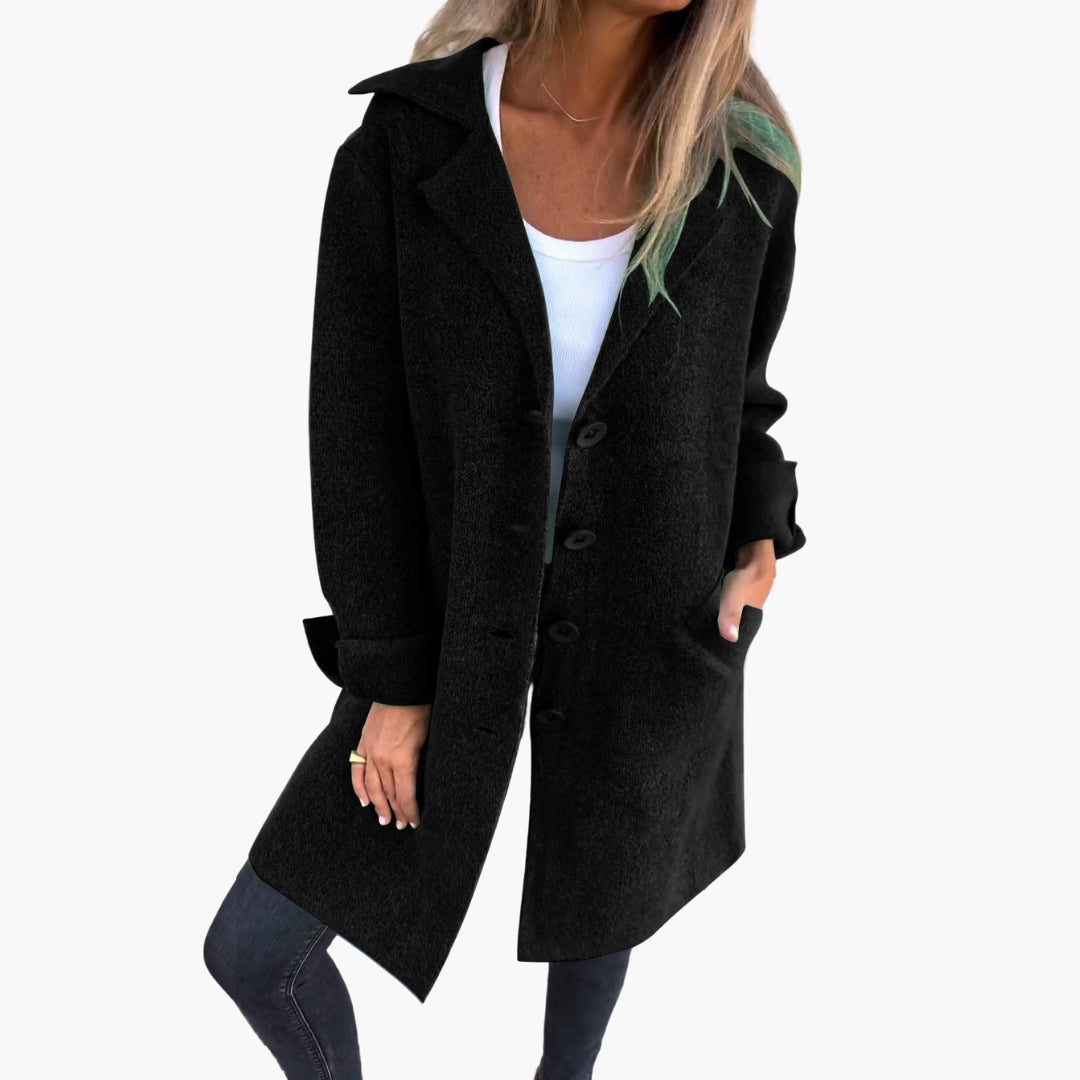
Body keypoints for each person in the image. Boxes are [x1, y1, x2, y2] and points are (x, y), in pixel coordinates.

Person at [205, 2, 806, 1077]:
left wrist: (759, 538)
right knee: (256, 948)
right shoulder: (408, 144)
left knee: (600, 895)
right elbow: (355, 432)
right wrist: (393, 682)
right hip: (449, 620)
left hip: (650, 617)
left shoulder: (742, 168)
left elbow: (741, 397)